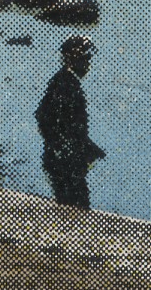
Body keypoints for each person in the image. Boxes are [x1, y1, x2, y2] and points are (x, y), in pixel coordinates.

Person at [34, 34, 106, 208]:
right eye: (85, 58)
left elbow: (45, 117)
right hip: (65, 161)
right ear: (73, 58)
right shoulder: (67, 84)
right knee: (77, 206)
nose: (88, 64)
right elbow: (46, 118)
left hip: (62, 158)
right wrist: (66, 147)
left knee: (70, 205)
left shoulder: (64, 81)